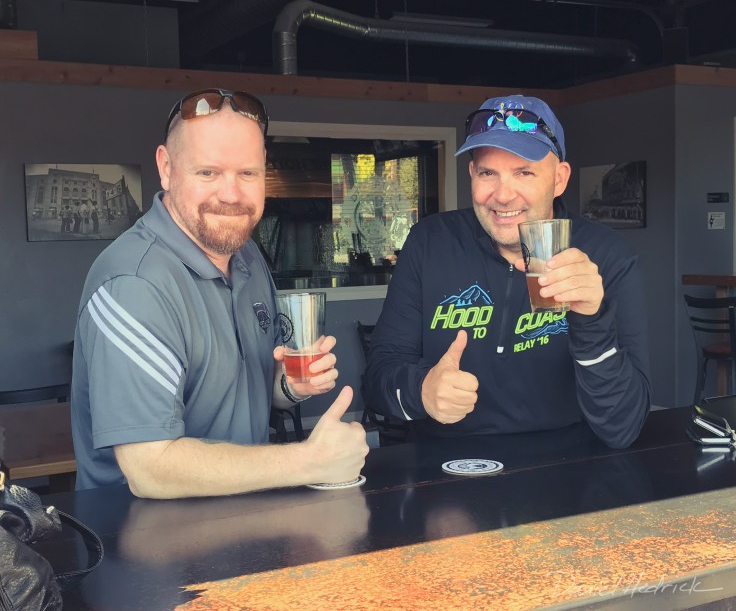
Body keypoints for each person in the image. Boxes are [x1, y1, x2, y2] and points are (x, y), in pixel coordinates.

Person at [71, 88, 368, 498]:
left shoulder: (247, 256)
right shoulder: (135, 283)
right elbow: (150, 467)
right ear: (166, 168)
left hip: (246, 518)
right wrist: (311, 461)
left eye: (247, 173)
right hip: (145, 534)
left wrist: (289, 386)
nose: (231, 194)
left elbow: (244, 393)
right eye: (208, 172)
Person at [363, 95, 650, 449]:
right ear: (472, 174)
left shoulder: (608, 258)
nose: (502, 195)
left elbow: (623, 427)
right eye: (488, 173)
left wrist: (592, 321)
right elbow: (377, 379)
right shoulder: (430, 242)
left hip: (568, 464)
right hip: (444, 464)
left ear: (559, 179)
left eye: (523, 172)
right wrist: (421, 391)